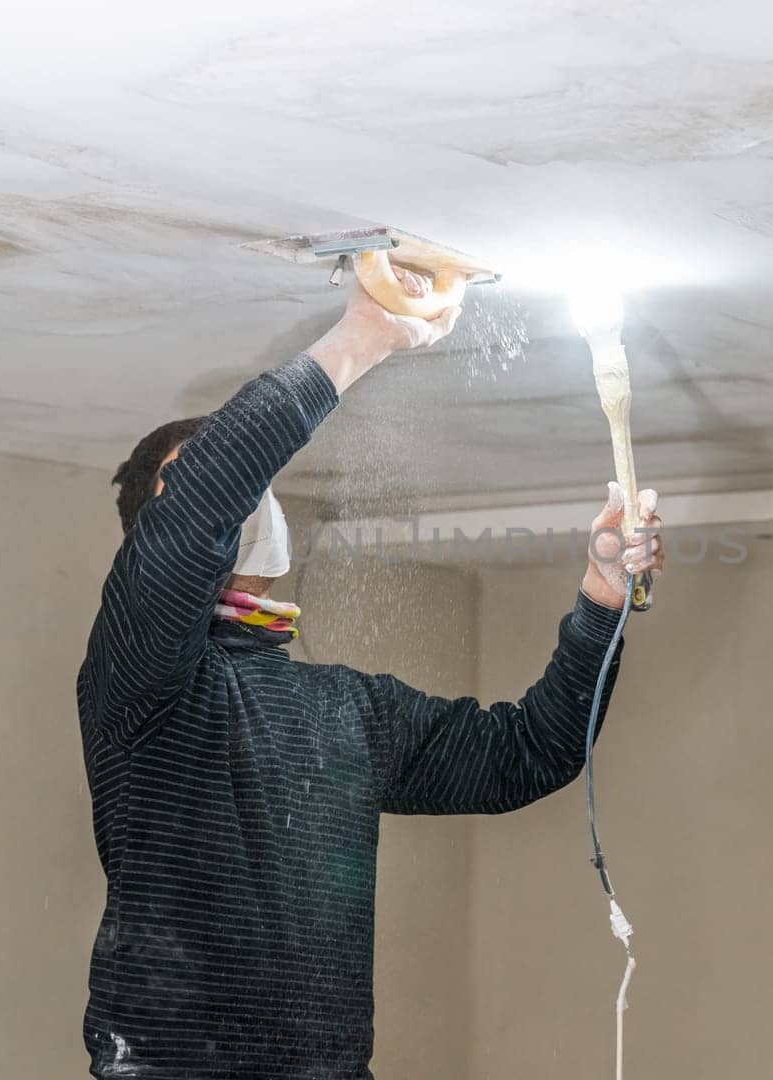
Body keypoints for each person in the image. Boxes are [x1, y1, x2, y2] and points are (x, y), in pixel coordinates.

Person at [76, 269, 665, 1078]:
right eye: (217, 487)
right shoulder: (142, 678)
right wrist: (365, 335)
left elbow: (526, 752)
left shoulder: (343, 711)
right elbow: (203, 500)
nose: (246, 503)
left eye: (255, 487)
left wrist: (602, 598)